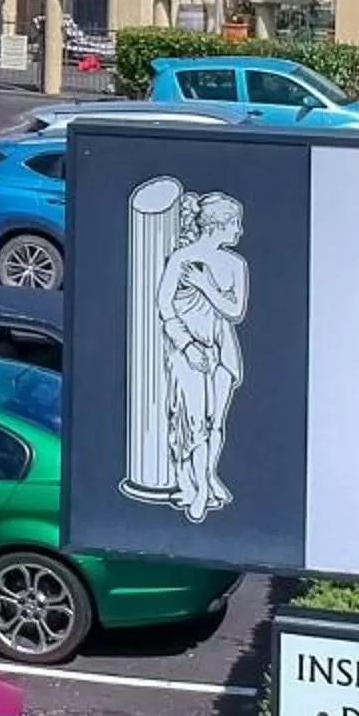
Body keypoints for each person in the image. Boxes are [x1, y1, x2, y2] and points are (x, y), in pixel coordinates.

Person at [159, 192, 247, 523]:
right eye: (235, 224)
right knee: (193, 424)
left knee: (216, 423)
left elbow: (235, 310)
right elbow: (165, 308)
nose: (239, 231)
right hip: (189, 352)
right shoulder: (181, 259)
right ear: (219, 225)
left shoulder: (235, 264)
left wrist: (206, 286)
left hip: (223, 351)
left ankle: (208, 478)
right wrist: (188, 346)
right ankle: (194, 490)